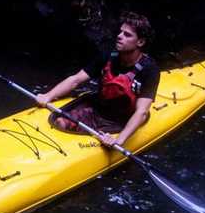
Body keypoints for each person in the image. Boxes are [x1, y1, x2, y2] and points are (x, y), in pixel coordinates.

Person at [35, 11, 160, 148]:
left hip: (120, 122)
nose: (119, 36)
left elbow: (141, 112)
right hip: (96, 111)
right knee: (60, 123)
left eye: (127, 35)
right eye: (120, 32)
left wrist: (118, 140)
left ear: (140, 42)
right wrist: (48, 96)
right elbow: (76, 80)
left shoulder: (150, 69)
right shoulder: (109, 56)